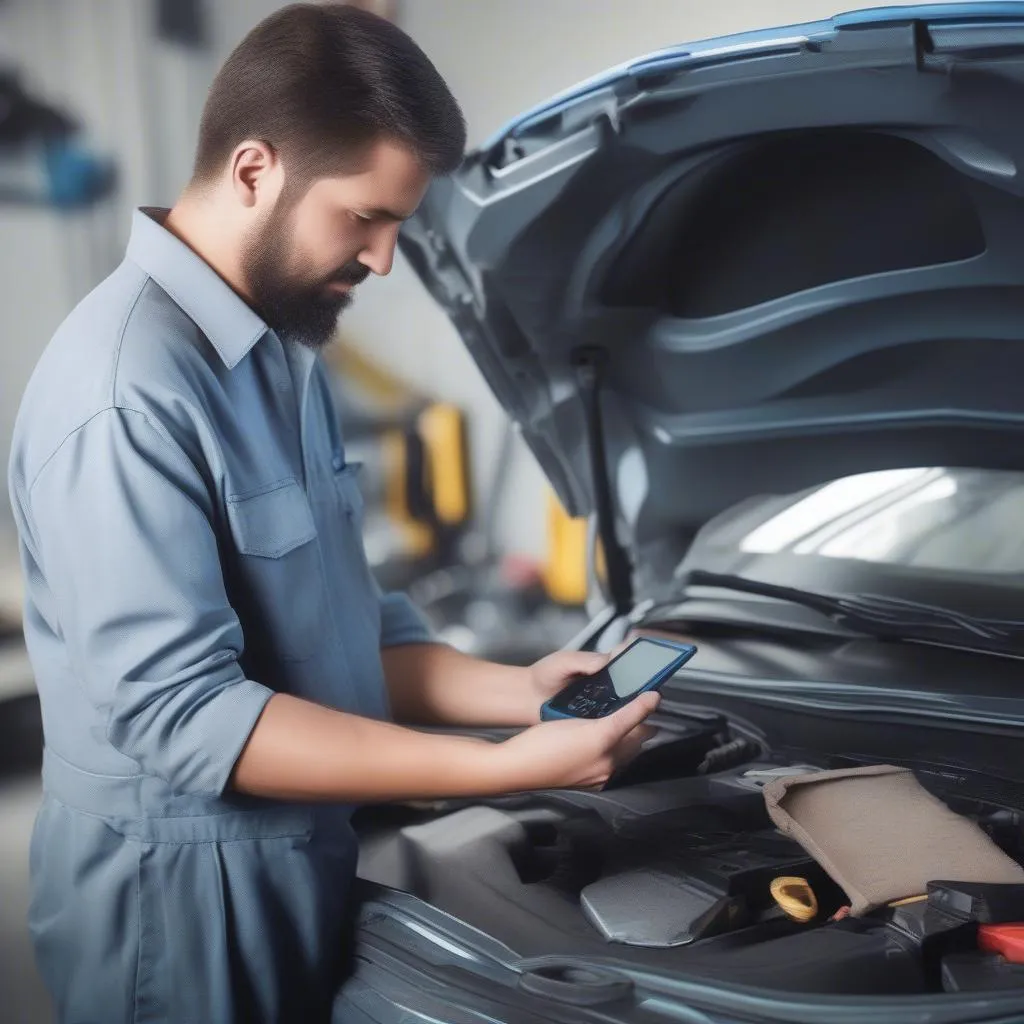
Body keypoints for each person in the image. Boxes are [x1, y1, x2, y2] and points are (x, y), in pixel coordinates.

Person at [6, 4, 659, 1022]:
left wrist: (520, 695)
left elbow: (346, 632)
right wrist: (492, 771)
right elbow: (185, 715)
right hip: (178, 906)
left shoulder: (282, 357)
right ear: (256, 170)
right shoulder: (123, 392)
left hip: (299, 858)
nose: (386, 258)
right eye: (365, 217)